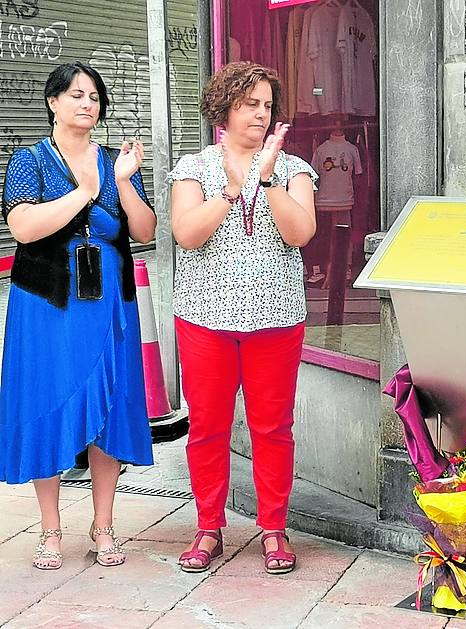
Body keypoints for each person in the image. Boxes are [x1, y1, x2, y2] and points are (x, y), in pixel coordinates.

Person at [0, 62, 156, 570]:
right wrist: (84, 193)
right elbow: (23, 227)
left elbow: (145, 229)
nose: (87, 104)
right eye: (76, 95)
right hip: (46, 306)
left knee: (107, 405)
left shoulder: (116, 161)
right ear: (53, 102)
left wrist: (124, 184)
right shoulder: (29, 160)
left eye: (94, 97)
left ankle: (104, 524)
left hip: (108, 303)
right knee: (47, 402)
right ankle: (49, 528)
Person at [169, 62, 317, 574]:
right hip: (205, 318)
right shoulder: (194, 167)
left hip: (275, 316)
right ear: (224, 109)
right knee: (207, 426)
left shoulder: (294, 168)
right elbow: (186, 233)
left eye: (267, 105)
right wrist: (231, 191)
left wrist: (268, 178)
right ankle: (208, 525)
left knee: (272, 427)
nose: (260, 113)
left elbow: (301, 233)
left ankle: (274, 528)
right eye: (249, 104)